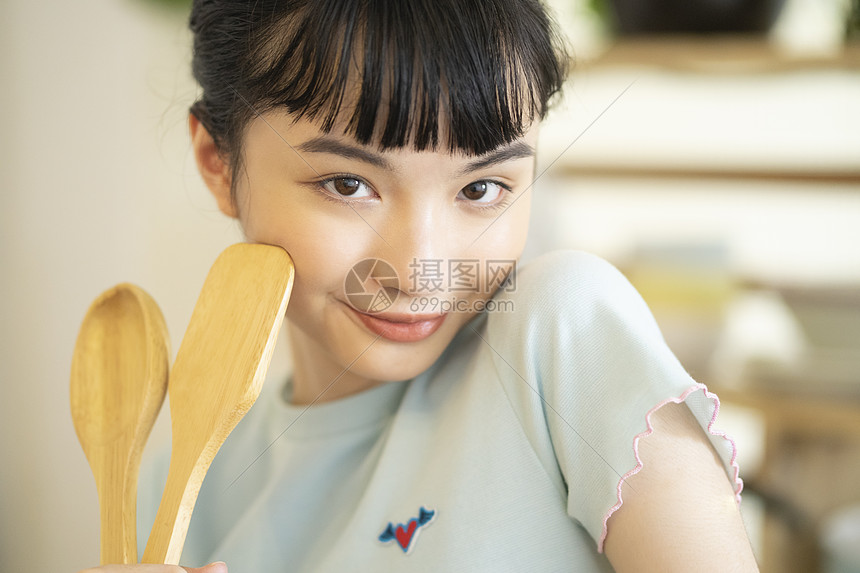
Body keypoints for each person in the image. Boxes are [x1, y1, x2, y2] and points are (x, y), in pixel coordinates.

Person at [79, 0, 759, 571]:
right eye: (349, 185)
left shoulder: (561, 334)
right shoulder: (169, 498)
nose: (417, 267)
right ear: (218, 163)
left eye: (482, 187)